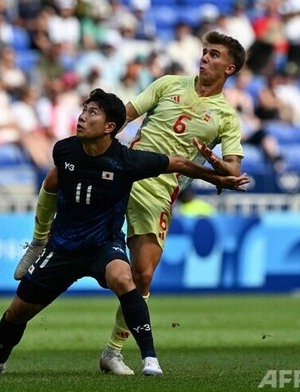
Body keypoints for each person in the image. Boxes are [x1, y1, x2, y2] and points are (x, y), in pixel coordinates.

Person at [0, 89, 248, 376]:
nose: (82, 117)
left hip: (103, 246)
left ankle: (150, 359)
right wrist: (41, 236)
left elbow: (180, 163)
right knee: (17, 311)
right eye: (84, 110)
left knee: (125, 278)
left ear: (110, 127)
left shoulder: (126, 160)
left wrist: (219, 178)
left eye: (92, 113)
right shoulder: (64, 150)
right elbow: (51, 183)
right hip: (62, 247)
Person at [14, 30, 247, 375]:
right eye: (204, 52)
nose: (205, 58)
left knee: (143, 275)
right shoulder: (169, 84)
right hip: (126, 170)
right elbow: (122, 114)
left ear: (229, 68)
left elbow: (233, 170)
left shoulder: (226, 117)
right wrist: (93, 136)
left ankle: (113, 352)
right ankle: (38, 243)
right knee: (55, 176)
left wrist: (215, 162)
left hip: (160, 190)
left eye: (214, 55)